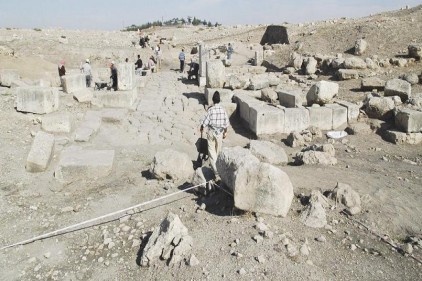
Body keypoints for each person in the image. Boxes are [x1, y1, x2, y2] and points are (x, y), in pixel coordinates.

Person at [200, 91, 229, 182]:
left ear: (213, 100)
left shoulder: (211, 110)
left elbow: (205, 122)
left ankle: (216, 173)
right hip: (219, 133)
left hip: (211, 132)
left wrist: (202, 127)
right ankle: (218, 169)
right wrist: (225, 133)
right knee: (218, 151)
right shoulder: (223, 110)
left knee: (211, 151)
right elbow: (226, 124)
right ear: (219, 100)